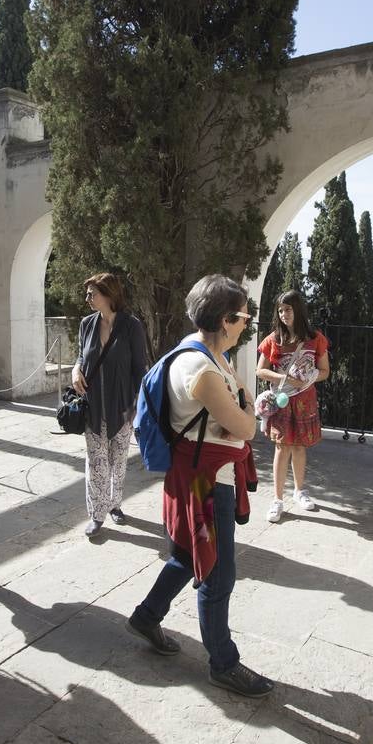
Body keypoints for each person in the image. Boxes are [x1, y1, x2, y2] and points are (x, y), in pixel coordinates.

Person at [125, 275, 272, 698]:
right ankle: (223, 664)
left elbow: (242, 410)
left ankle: (147, 615)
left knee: (189, 555)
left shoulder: (207, 352)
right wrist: (243, 420)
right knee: (218, 573)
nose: (247, 323)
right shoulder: (203, 369)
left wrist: (240, 418)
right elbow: (246, 427)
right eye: (243, 316)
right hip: (206, 483)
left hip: (202, 472)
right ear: (226, 319)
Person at [71, 273, 149, 537]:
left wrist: (137, 407)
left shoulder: (132, 326)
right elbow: (81, 355)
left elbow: (140, 368)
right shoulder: (86, 324)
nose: (88, 298)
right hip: (93, 405)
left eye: (92, 293)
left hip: (123, 406)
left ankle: (115, 504)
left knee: (118, 460)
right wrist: (75, 369)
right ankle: (97, 514)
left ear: (108, 294)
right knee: (96, 462)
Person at [256, 290, 330, 522]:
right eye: (280, 310)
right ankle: (277, 500)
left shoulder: (315, 339)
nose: (283, 314)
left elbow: (325, 372)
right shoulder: (272, 340)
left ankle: (300, 491)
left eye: (287, 309)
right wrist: (286, 379)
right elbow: (260, 370)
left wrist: (307, 378)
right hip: (282, 400)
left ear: (298, 310)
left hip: (305, 400)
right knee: (282, 447)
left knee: (299, 446)